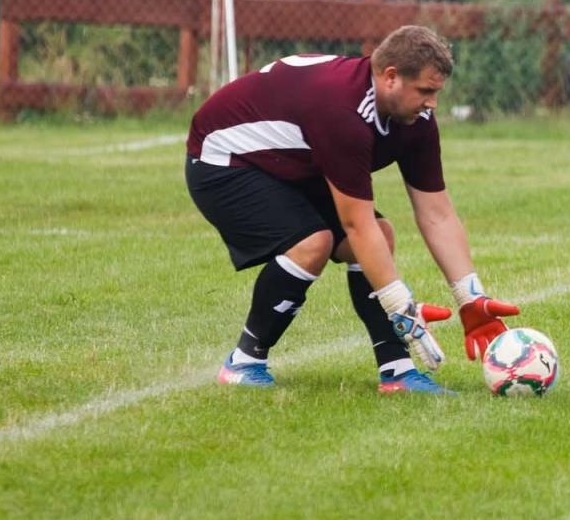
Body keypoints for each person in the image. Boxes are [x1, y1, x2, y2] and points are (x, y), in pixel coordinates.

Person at [185, 24, 520, 393]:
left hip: (292, 164)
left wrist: (471, 298)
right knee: (313, 243)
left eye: (436, 92)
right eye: (425, 91)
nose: (432, 104)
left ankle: (397, 373)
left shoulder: (417, 122)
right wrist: (399, 304)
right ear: (390, 77)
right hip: (223, 159)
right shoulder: (342, 112)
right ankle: (243, 363)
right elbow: (357, 225)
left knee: (382, 235)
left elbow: (437, 212)